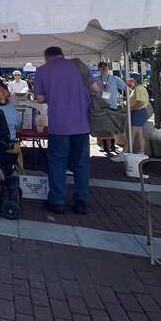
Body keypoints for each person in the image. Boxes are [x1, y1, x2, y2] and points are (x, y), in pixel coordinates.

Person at [34, 46, 99, 215]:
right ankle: (81, 202)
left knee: (57, 162)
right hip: (82, 123)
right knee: (81, 163)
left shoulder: (42, 70)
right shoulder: (79, 65)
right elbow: (96, 89)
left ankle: (57, 201)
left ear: (46, 57)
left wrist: (54, 95)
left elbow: (39, 98)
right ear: (62, 55)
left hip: (58, 125)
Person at [96, 62, 127, 156]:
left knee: (113, 127)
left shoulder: (114, 78)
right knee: (103, 127)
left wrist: (124, 97)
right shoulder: (96, 79)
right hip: (101, 107)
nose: (103, 69)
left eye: (105, 67)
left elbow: (125, 88)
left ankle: (113, 145)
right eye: (101, 67)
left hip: (113, 106)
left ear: (108, 68)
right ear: (99, 69)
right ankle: (105, 146)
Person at [127, 73, 150, 154]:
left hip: (138, 113)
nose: (128, 80)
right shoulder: (139, 88)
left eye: (130, 79)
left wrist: (129, 108)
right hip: (140, 113)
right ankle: (141, 152)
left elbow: (140, 102)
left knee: (131, 135)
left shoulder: (138, 88)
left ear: (134, 79)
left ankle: (125, 153)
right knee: (139, 134)